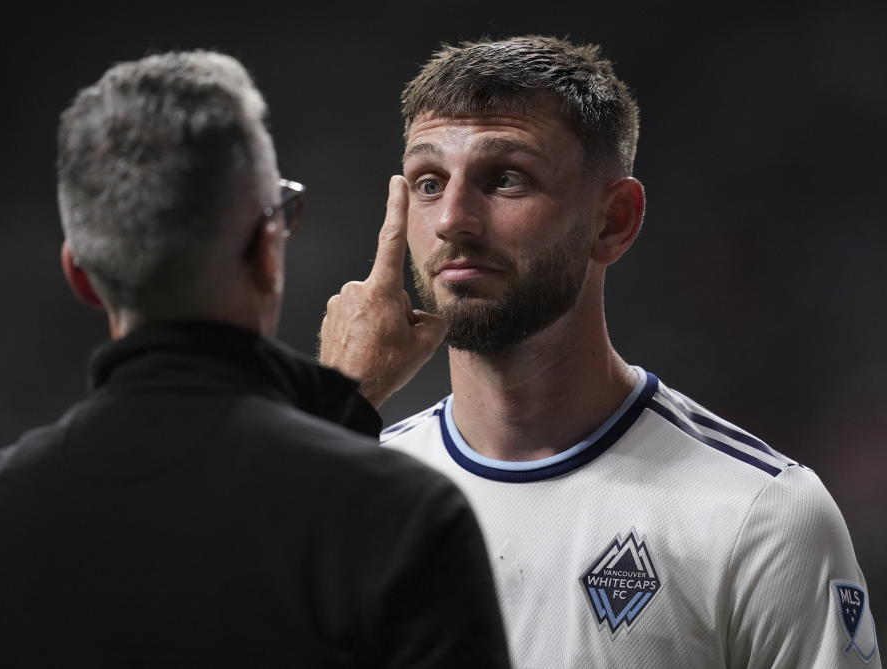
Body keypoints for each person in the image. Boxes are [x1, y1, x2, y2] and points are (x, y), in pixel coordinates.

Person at [0, 50, 511, 669]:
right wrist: (340, 401)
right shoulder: (403, 517)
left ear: (81, 276)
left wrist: (340, 400)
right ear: (267, 248)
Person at [319, 36, 881, 668]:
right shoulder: (348, 494)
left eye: (505, 179)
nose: (453, 219)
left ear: (614, 220)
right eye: (428, 182)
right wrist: (340, 398)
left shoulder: (762, 516)